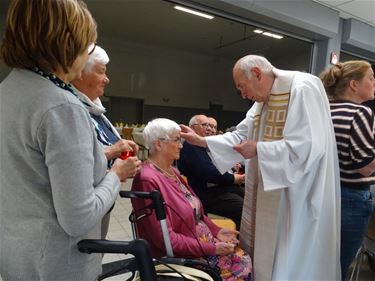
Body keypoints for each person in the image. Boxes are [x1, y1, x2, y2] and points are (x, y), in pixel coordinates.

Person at [0, 1, 141, 280]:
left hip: (16, 253)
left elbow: (38, 169)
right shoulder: (62, 107)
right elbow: (78, 217)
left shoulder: (8, 91)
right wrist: (115, 174)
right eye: (87, 45)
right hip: (55, 263)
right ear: (67, 43)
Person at [180, 55, 341, 280]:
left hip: (294, 192)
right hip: (268, 189)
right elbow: (239, 135)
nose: (243, 95)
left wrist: (259, 149)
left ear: (256, 73)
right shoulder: (260, 103)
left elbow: (310, 146)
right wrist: (202, 141)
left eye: (242, 87)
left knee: (288, 252)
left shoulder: (302, 88)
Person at [131, 118, 252, 281]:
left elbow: (198, 213)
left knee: (245, 258)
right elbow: (166, 240)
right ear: (159, 144)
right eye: (176, 140)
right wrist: (212, 248)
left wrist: (217, 231)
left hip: (200, 244)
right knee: (244, 268)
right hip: (186, 255)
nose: (181, 145)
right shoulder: (147, 179)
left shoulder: (172, 171)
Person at [71, 45, 139, 238]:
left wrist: (121, 151)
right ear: (79, 73)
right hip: (85, 205)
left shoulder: (95, 109)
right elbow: (74, 160)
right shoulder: (71, 109)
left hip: (103, 194)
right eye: (101, 72)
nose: (107, 79)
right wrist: (113, 153)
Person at [320, 60, 375, 279]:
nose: (374, 82)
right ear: (353, 84)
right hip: (351, 199)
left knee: (322, 262)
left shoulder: (326, 110)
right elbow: (364, 167)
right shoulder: (360, 113)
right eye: (370, 77)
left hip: (326, 195)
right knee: (337, 269)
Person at [178, 114, 245, 229]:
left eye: (212, 126)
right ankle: (239, 243)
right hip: (206, 193)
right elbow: (209, 173)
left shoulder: (206, 145)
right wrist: (234, 178)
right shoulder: (191, 145)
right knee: (244, 210)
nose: (209, 129)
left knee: (252, 201)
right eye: (205, 125)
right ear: (192, 128)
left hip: (219, 188)